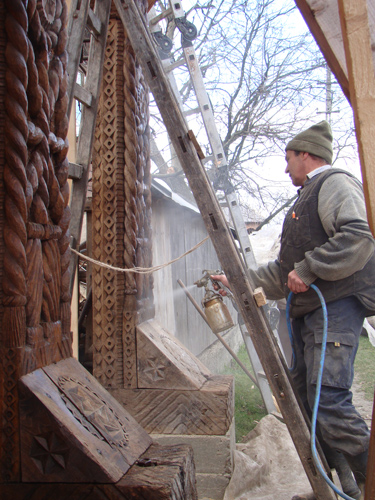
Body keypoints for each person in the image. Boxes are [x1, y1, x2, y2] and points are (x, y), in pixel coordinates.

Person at [212, 121, 375, 500]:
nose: (286, 168)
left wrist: (308, 269)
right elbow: (284, 271)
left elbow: (358, 236)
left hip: (335, 308)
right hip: (312, 315)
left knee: (327, 401)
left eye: (289, 158)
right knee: (309, 407)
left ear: (306, 154)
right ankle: (338, 491)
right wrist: (236, 279)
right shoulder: (306, 197)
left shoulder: (334, 182)